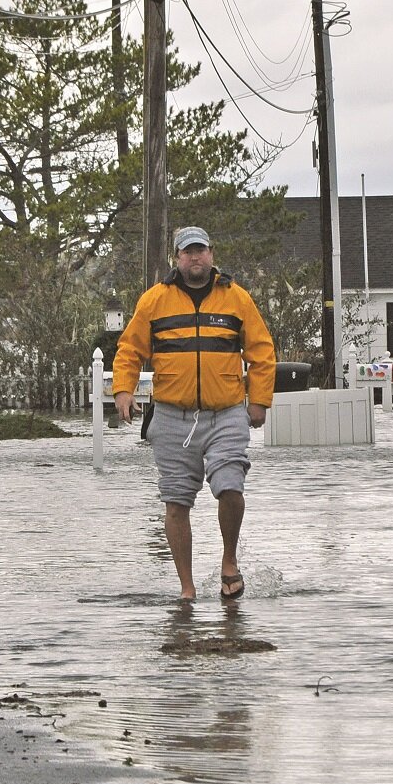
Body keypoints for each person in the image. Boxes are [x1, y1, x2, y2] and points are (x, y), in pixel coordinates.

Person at [112, 225, 277, 602]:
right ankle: (187, 589)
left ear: (211, 254)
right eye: (187, 252)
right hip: (172, 415)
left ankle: (229, 561)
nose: (195, 257)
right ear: (177, 258)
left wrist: (259, 400)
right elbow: (130, 350)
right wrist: (122, 389)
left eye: (200, 250)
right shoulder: (154, 300)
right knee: (176, 502)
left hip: (227, 412)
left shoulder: (236, 298)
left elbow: (262, 352)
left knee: (230, 486)